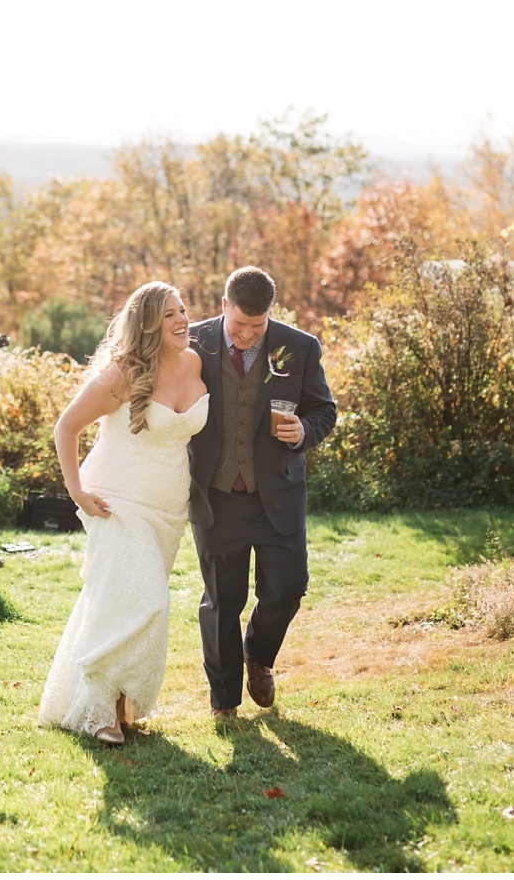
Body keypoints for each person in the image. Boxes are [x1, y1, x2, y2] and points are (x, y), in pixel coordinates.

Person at [39, 281, 208, 745]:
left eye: (183, 310)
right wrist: (77, 493)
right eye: (170, 314)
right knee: (145, 601)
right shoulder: (122, 373)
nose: (182, 320)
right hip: (116, 499)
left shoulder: (195, 361)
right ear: (149, 323)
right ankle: (102, 717)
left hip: (168, 506)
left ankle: (114, 704)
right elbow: (67, 426)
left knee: (118, 600)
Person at [188, 266, 336, 716]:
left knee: (288, 588)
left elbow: (324, 411)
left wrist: (303, 430)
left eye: (258, 325)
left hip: (278, 495)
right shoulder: (192, 343)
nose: (249, 334)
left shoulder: (300, 347)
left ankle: (258, 654)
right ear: (222, 306)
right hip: (215, 496)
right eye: (239, 325)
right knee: (221, 602)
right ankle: (224, 702)